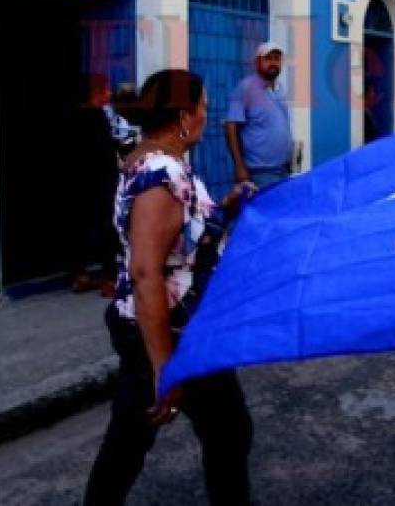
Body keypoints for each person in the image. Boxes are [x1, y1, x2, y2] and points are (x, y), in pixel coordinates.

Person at [84, 69, 257, 506]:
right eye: (202, 109)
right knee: (225, 430)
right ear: (183, 116)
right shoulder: (160, 175)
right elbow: (147, 272)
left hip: (176, 326)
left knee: (135, 439)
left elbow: (185, 244)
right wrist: (164, 365)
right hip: (168, 332)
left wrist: (229, 208)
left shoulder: (162, 163)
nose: (206, 118)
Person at [68, 73, 120, 295]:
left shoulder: (73, 117)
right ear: (95, 93)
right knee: (108, 228)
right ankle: (110, 279)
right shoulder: (97, 117)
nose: (109, 93)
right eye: (105, 89)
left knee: (79, 226)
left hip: (78, 180)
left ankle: (80, 275)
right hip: (100, 181)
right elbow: (106, 153)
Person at [225, 41, 293, 189]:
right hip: (260, 174)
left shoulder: (280, 89)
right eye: (268, 58)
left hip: (283, 170)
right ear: (257, 62)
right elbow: (231, 126)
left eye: (277, 58)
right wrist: (239, 166)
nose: (273, 63)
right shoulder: (245, 88)